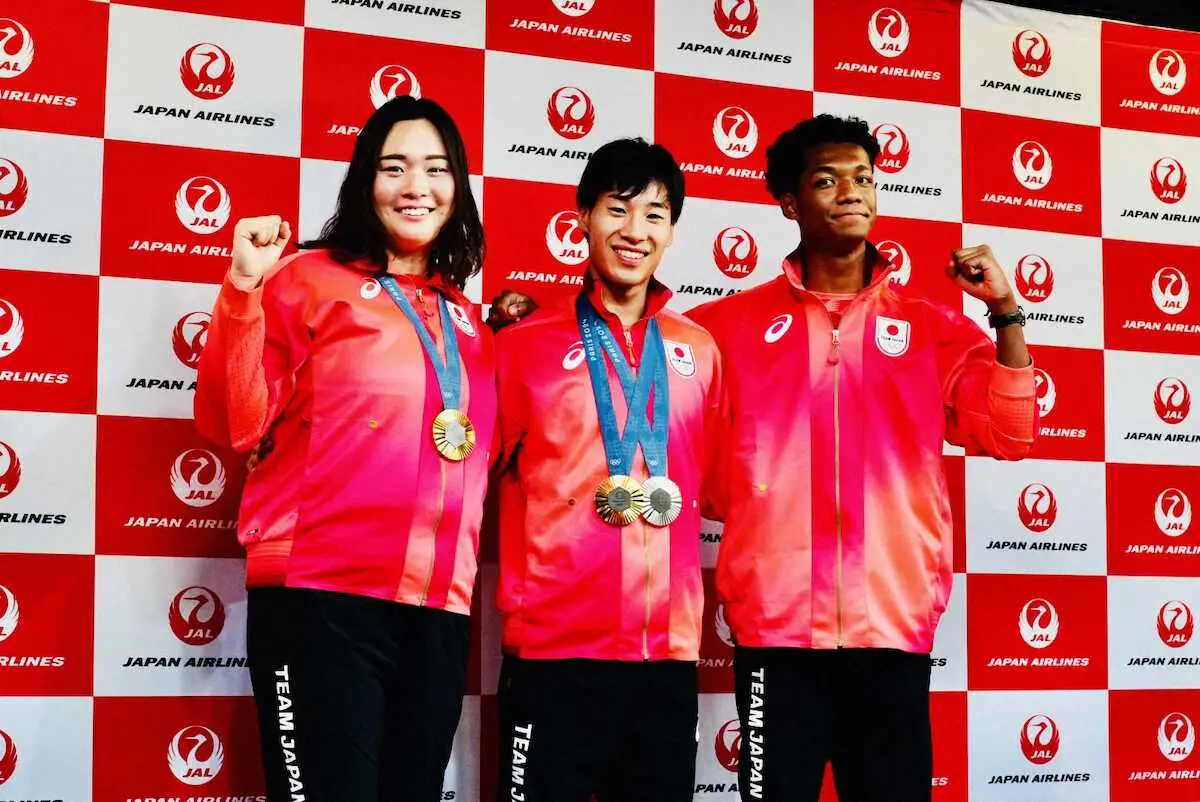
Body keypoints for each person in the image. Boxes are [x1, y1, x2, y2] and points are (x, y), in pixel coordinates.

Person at [687, 114, 1037, 802]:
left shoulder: (931, 328)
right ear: (789, 203)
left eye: (864, 178)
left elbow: (1010, 432)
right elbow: (655, 412)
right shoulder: (725, 328)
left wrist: (1005, 309)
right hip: (777, 632)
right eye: (827, 180)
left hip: (891, 629)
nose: (852, 192)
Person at [193, 95, 494, 802]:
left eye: (436, 168)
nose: (416, 186)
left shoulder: (468, 320)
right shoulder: (305, 279)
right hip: (322, 598)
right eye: (394, 168)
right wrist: (243, 288)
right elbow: (234, 421)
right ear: (365, 181)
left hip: (437, 608)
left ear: (457, 186)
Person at [492, 138, 724, 801]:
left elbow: (722, 486)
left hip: (666, 661)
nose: (635, 231)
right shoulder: (523, 346)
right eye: (617, 209)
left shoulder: (699, 351)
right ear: (583, 218)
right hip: (553, 658)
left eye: (655, 214)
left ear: (672, 230)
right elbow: (465, 474)